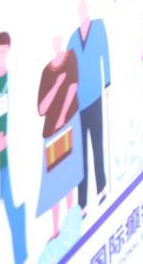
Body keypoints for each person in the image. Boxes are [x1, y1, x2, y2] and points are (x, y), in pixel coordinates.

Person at [66, 0, 110, 218]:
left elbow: (105, 54)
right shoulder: (73, 38)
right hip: (78, 104)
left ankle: (102, 188)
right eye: (79, 8)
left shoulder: (99, 26)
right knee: (81, 153)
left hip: (95, 97)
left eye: (84, 7)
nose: (82, 11)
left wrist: (108, 82)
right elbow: (67, 69)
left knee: (97, 144)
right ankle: (82, 204)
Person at [37, 35, 81, 242]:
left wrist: (62, 117)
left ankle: (69, 220)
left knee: (69, 175)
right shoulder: (47, 71)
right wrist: (56, 85)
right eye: (52, 39)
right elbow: (42, 108)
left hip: (68, 124)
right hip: (51, 134)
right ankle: (55, 230)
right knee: (54, 183)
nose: (56, 42)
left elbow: (73, 86)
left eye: (58, 38)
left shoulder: (71, 57)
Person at [0, 32, 28, 264]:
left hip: (12, 164)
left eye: (5, 51)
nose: (1, 55)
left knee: (16, 217)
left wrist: (9, 140)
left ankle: (22, 258)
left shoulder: (15, 82)